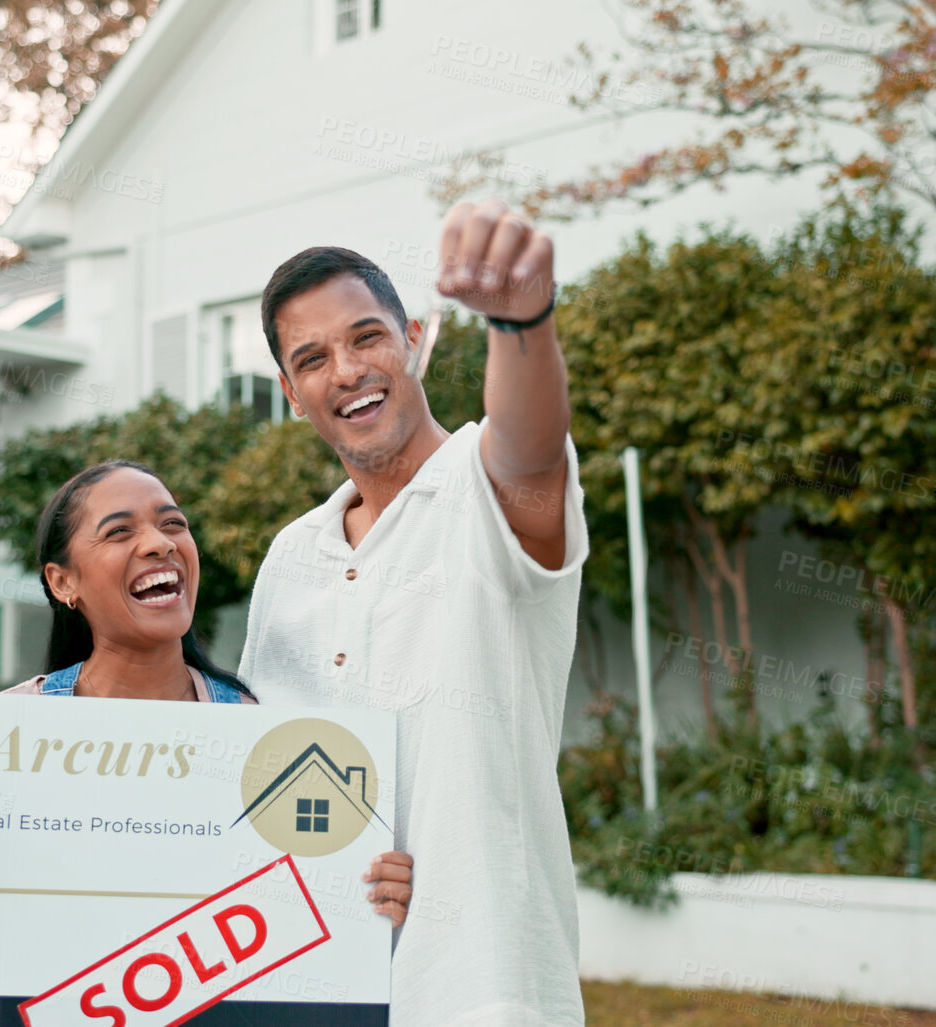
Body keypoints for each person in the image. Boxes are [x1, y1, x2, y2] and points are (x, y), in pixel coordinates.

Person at [240, 199, 587, 1026]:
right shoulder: (291, 556)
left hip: (488, 989)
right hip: (320, 985)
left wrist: (521, 322)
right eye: (313, 358)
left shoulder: (485, 481)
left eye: (366, 337)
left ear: (413, 340)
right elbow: (262, 778)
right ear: (291, 393)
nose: (348, 369)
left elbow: (530, 444)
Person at [0, 458, 415, 1000]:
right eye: (119, 531)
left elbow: (309, 949)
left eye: (173, 524)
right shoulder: (2, 740)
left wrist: (370, 898)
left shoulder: (264, 737)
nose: (160, 544)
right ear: (63, 582)